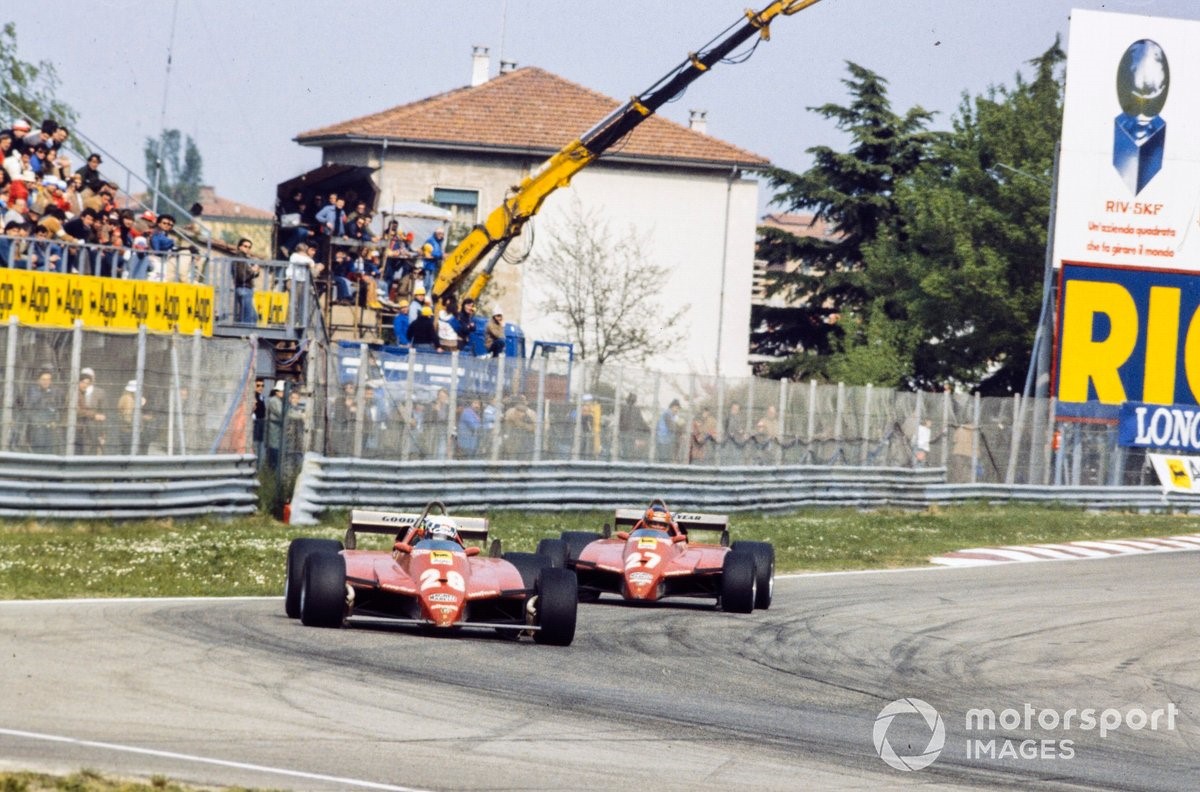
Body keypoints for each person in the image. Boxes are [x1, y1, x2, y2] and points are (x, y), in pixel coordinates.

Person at [75, 367, 107, 455]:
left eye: (90, 379)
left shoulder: (100, 392)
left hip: (95, 428)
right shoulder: (77, 392)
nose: (86, 383)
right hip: (80, 427)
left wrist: (103, 433)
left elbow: (103, 413)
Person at [232, 238, 260, 323]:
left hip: (246, 288)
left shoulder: (245, 258)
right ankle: (246, 333)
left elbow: (251, 273)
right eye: (245, 246)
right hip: (243, 288)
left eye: (249, 247)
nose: (247, 249)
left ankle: (243, 333)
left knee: (249, 315)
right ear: (240, 247)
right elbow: (242, 276)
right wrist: (253, 271)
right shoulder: (240, 259)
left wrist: (255, 271)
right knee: (250, 316)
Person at [502, 394, 537, 459]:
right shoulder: (510, 412)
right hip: (513, 438)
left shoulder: (531, 413)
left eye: (524, 400)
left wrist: (522, 424)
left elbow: (535, 428)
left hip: (527, 439)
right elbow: (507, 425)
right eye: (521, 401)